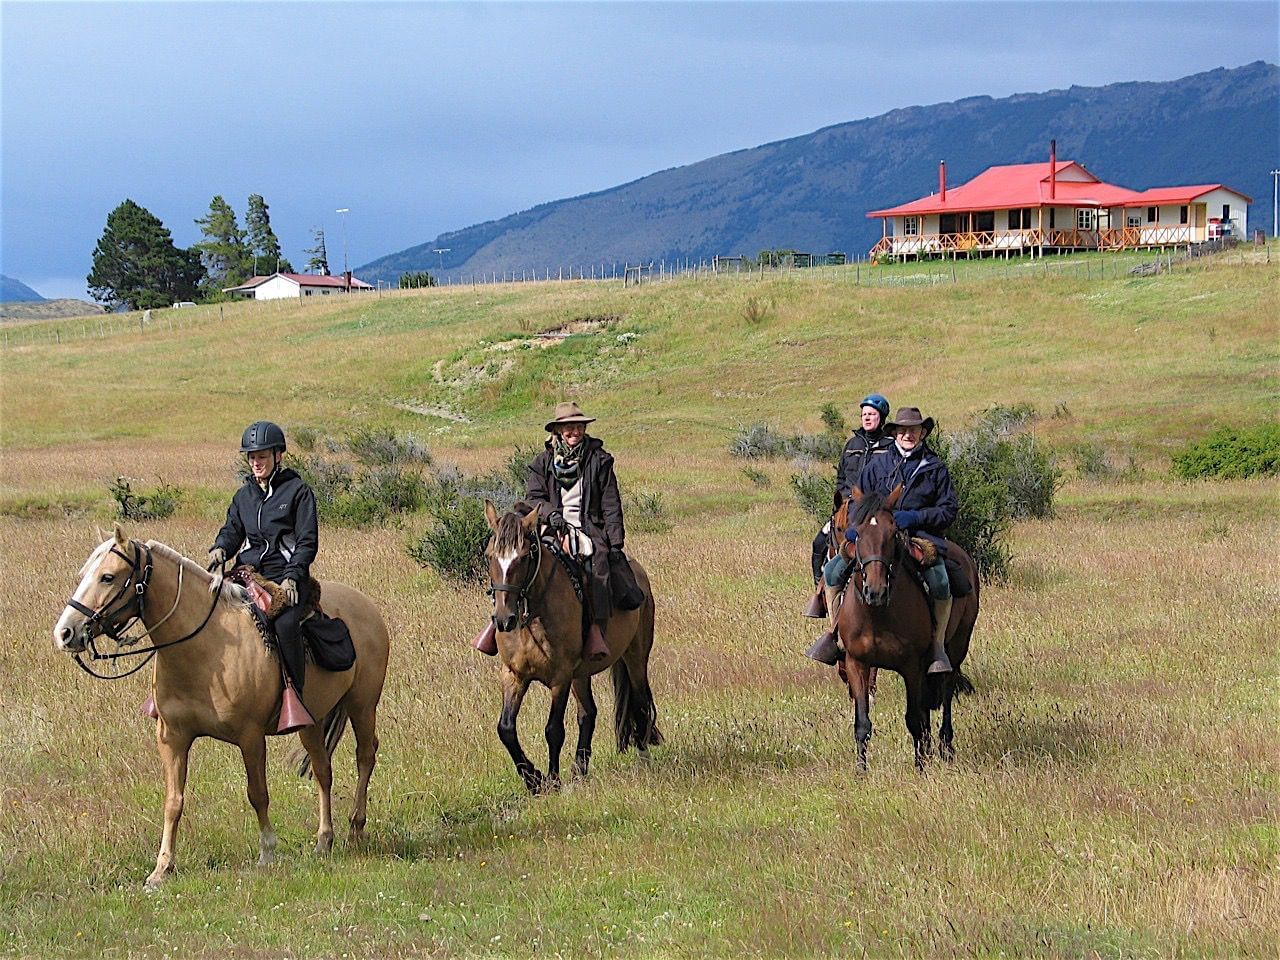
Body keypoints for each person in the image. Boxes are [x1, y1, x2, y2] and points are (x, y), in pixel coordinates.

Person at [207, 421, 318, 730]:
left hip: (285, 578)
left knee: (284, 623)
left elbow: (307, 541)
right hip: (248, 576)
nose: (256, 462)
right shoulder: (244, 496)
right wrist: (219, 549)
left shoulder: (298, 492)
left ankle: (294, 696)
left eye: (263, 456)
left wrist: (294, 577)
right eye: (252, 457)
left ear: (278, 455)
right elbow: (232, 531)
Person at [854, 405, 957, 674]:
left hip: (920, 536)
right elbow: (859, 500)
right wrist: (858, 528)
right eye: (903, 430)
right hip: (876, 537)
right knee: (833, 572)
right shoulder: (877, 465)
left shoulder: (935, 468)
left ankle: (937, 645)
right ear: (895, 433)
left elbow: (948, 510)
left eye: (914, 430)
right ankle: (835, 636)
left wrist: (916, 517)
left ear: (922, 433)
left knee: (942, 581)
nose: (908, 435)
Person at [807, 393, 894, 589]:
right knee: (819, 541)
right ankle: (820, 588)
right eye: (864, 414)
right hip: (847, 507)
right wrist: (842, 501)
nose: (867, 418)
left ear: (882, 417)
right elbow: (841, 477)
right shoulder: (852, 445)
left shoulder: (890, 447)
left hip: (872, 510)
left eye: (872, 414)